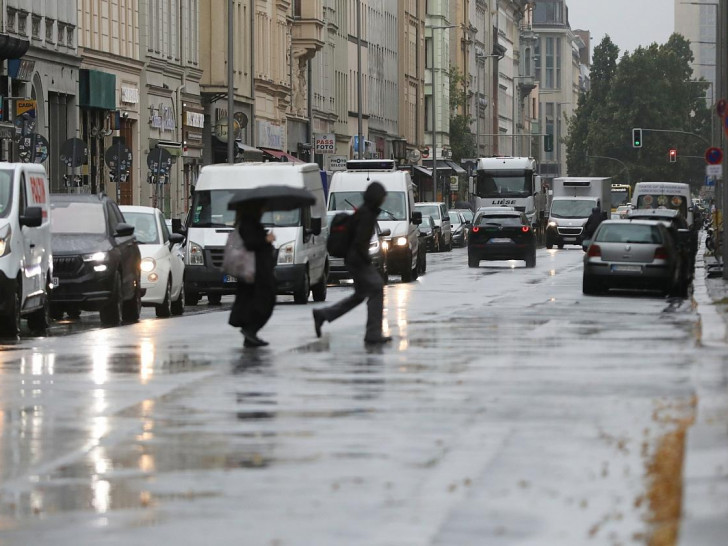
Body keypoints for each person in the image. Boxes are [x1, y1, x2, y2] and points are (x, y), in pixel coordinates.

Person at [313, 181, 391, 345]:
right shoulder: (367, 215)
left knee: (359, 296)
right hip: (357, 260)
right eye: (383, 196)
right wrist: (366, 260)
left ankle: (323, 314)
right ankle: (373, 333)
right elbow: (360, 242)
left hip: (354, 259)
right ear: (377, 197)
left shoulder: (365, 212)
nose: (384, 200)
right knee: (377, 288)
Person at [228, 202, 277, 348]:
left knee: (254, 300)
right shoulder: (248, 222)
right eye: (262, 207)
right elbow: (251, 243)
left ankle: (251, 334)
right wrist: (266, 239)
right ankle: (250, 330)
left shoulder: (251, 222)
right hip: (255, 270)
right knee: (264, 299)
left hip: (257, 269)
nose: (264, 209)